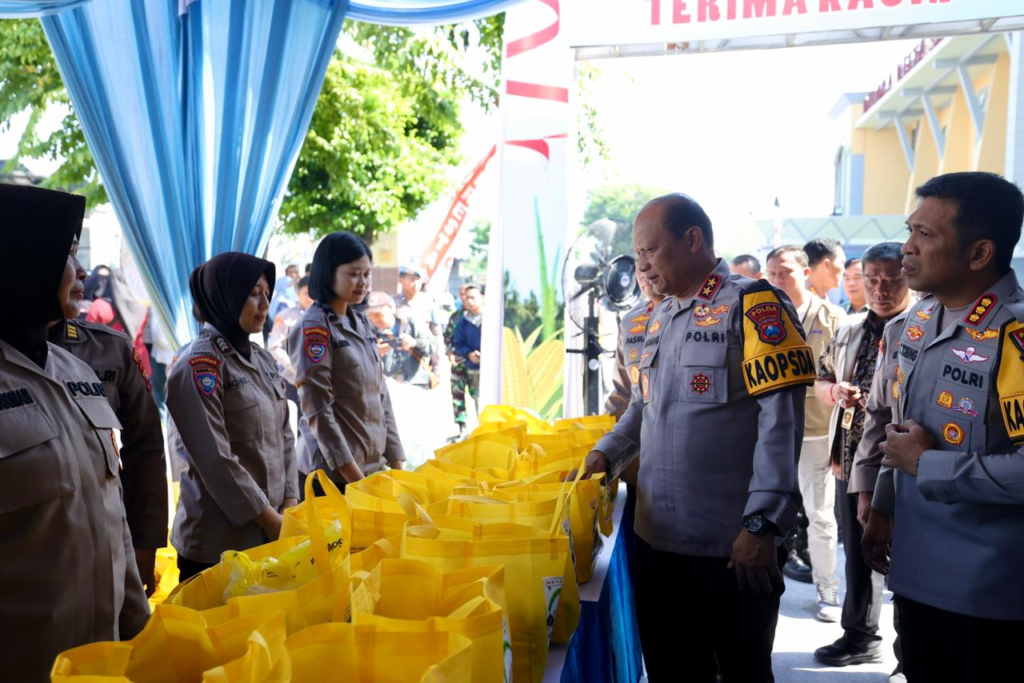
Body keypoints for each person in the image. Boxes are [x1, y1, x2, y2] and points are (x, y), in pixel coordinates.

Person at [585, 193, 811, 681]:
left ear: (692, 240)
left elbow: (782, 423)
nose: (642, 265)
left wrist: (762, 525)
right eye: (638, 254)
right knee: (672, 671)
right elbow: (642, 406)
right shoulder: (658, 315)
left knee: (744, 672)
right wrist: (606, 454)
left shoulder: (754, 304)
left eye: (650, 250)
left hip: (733, 547)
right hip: (657, 543)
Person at [862, 172, 1024, 680]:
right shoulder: (914, 322)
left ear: (979, 253)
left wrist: (927, 465)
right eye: (910, 230)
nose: (906, 248)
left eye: (925, 235)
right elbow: (899, 427)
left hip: (988, 595)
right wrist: (883, 505)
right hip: (913, 575)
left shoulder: (1015, 336)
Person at [0, 184, 149, 682]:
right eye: (66, 254)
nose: (81, 271)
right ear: (21, 258)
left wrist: (139, 631)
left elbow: (111, 513)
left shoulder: (75, 371)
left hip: (105, 658)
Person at [167, 253, 298, 581]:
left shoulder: (262, 359)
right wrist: (269, 519)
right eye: (253, 293)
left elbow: (285, 434)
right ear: (224, 297)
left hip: (271, 533)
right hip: (218, 546)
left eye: (267, 293)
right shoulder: (199, 366)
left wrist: (290, 501)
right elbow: (215, 460)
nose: (264, 304)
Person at [50, 235, 168, 598]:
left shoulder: (110, 348)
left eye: (77, 253)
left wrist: (146, 542)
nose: (82, 271)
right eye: (68, 255)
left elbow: (146, 448)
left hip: (112, 550)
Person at [812, 242, 912, 667]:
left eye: (892, 280)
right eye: (872, 280)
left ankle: (909, 655)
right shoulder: (850, 329)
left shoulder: (922, 327)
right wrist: (836, 391)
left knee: (906, 559)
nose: (881, 289)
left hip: (902, 464)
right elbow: (821, 379)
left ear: (910, 278)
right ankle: (860, 635)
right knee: (857, 553)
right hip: (851, 457)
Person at [289, 232, 405, 491]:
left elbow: (380, 394)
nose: (363, 282)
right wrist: (356, 480)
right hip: (332, 478)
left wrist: (397, 462)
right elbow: (319, 409)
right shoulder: (314, 330)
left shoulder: (361, 322)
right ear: (329, 273)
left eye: (367, 274)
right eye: (353, 274)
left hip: (369, 470)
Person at [766, 245, 845, 620]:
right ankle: (763, 584)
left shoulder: (833, 318)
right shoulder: (761, 316)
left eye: (785, 271)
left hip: (815, 430)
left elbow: (843, 378)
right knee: (764, 512)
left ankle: (828, 589)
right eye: (772, 273)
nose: (778, 279)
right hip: (771, 431)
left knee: (820, 515)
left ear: (806, 272)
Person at [365, 291, 436, 388]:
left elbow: (432, 346)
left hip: (416, 383)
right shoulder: (368, 331)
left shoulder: (410, 321)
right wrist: (375, 355)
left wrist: (414, 342)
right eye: (371, 316)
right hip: (388, 386)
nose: (375, 319)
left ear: (390, 307)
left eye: (378, 314)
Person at [268, 276, 314, 408]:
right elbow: (275, 347)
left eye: (313, 293)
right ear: (297, 293)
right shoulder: (285, 316)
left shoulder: (324, 316)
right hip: (293, 380)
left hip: (319, 379)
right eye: (306, 293)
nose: (310, 297)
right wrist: (295, 367)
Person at [452, 283, 484, 432]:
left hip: (491, 368)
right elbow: (458, 343)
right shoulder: (463, 322)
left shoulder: (492, 319)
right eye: (467, 298)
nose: (470, 301)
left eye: (473, 297)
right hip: (472, 367)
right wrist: (469, 353)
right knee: (477, 398)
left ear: (482, 297)